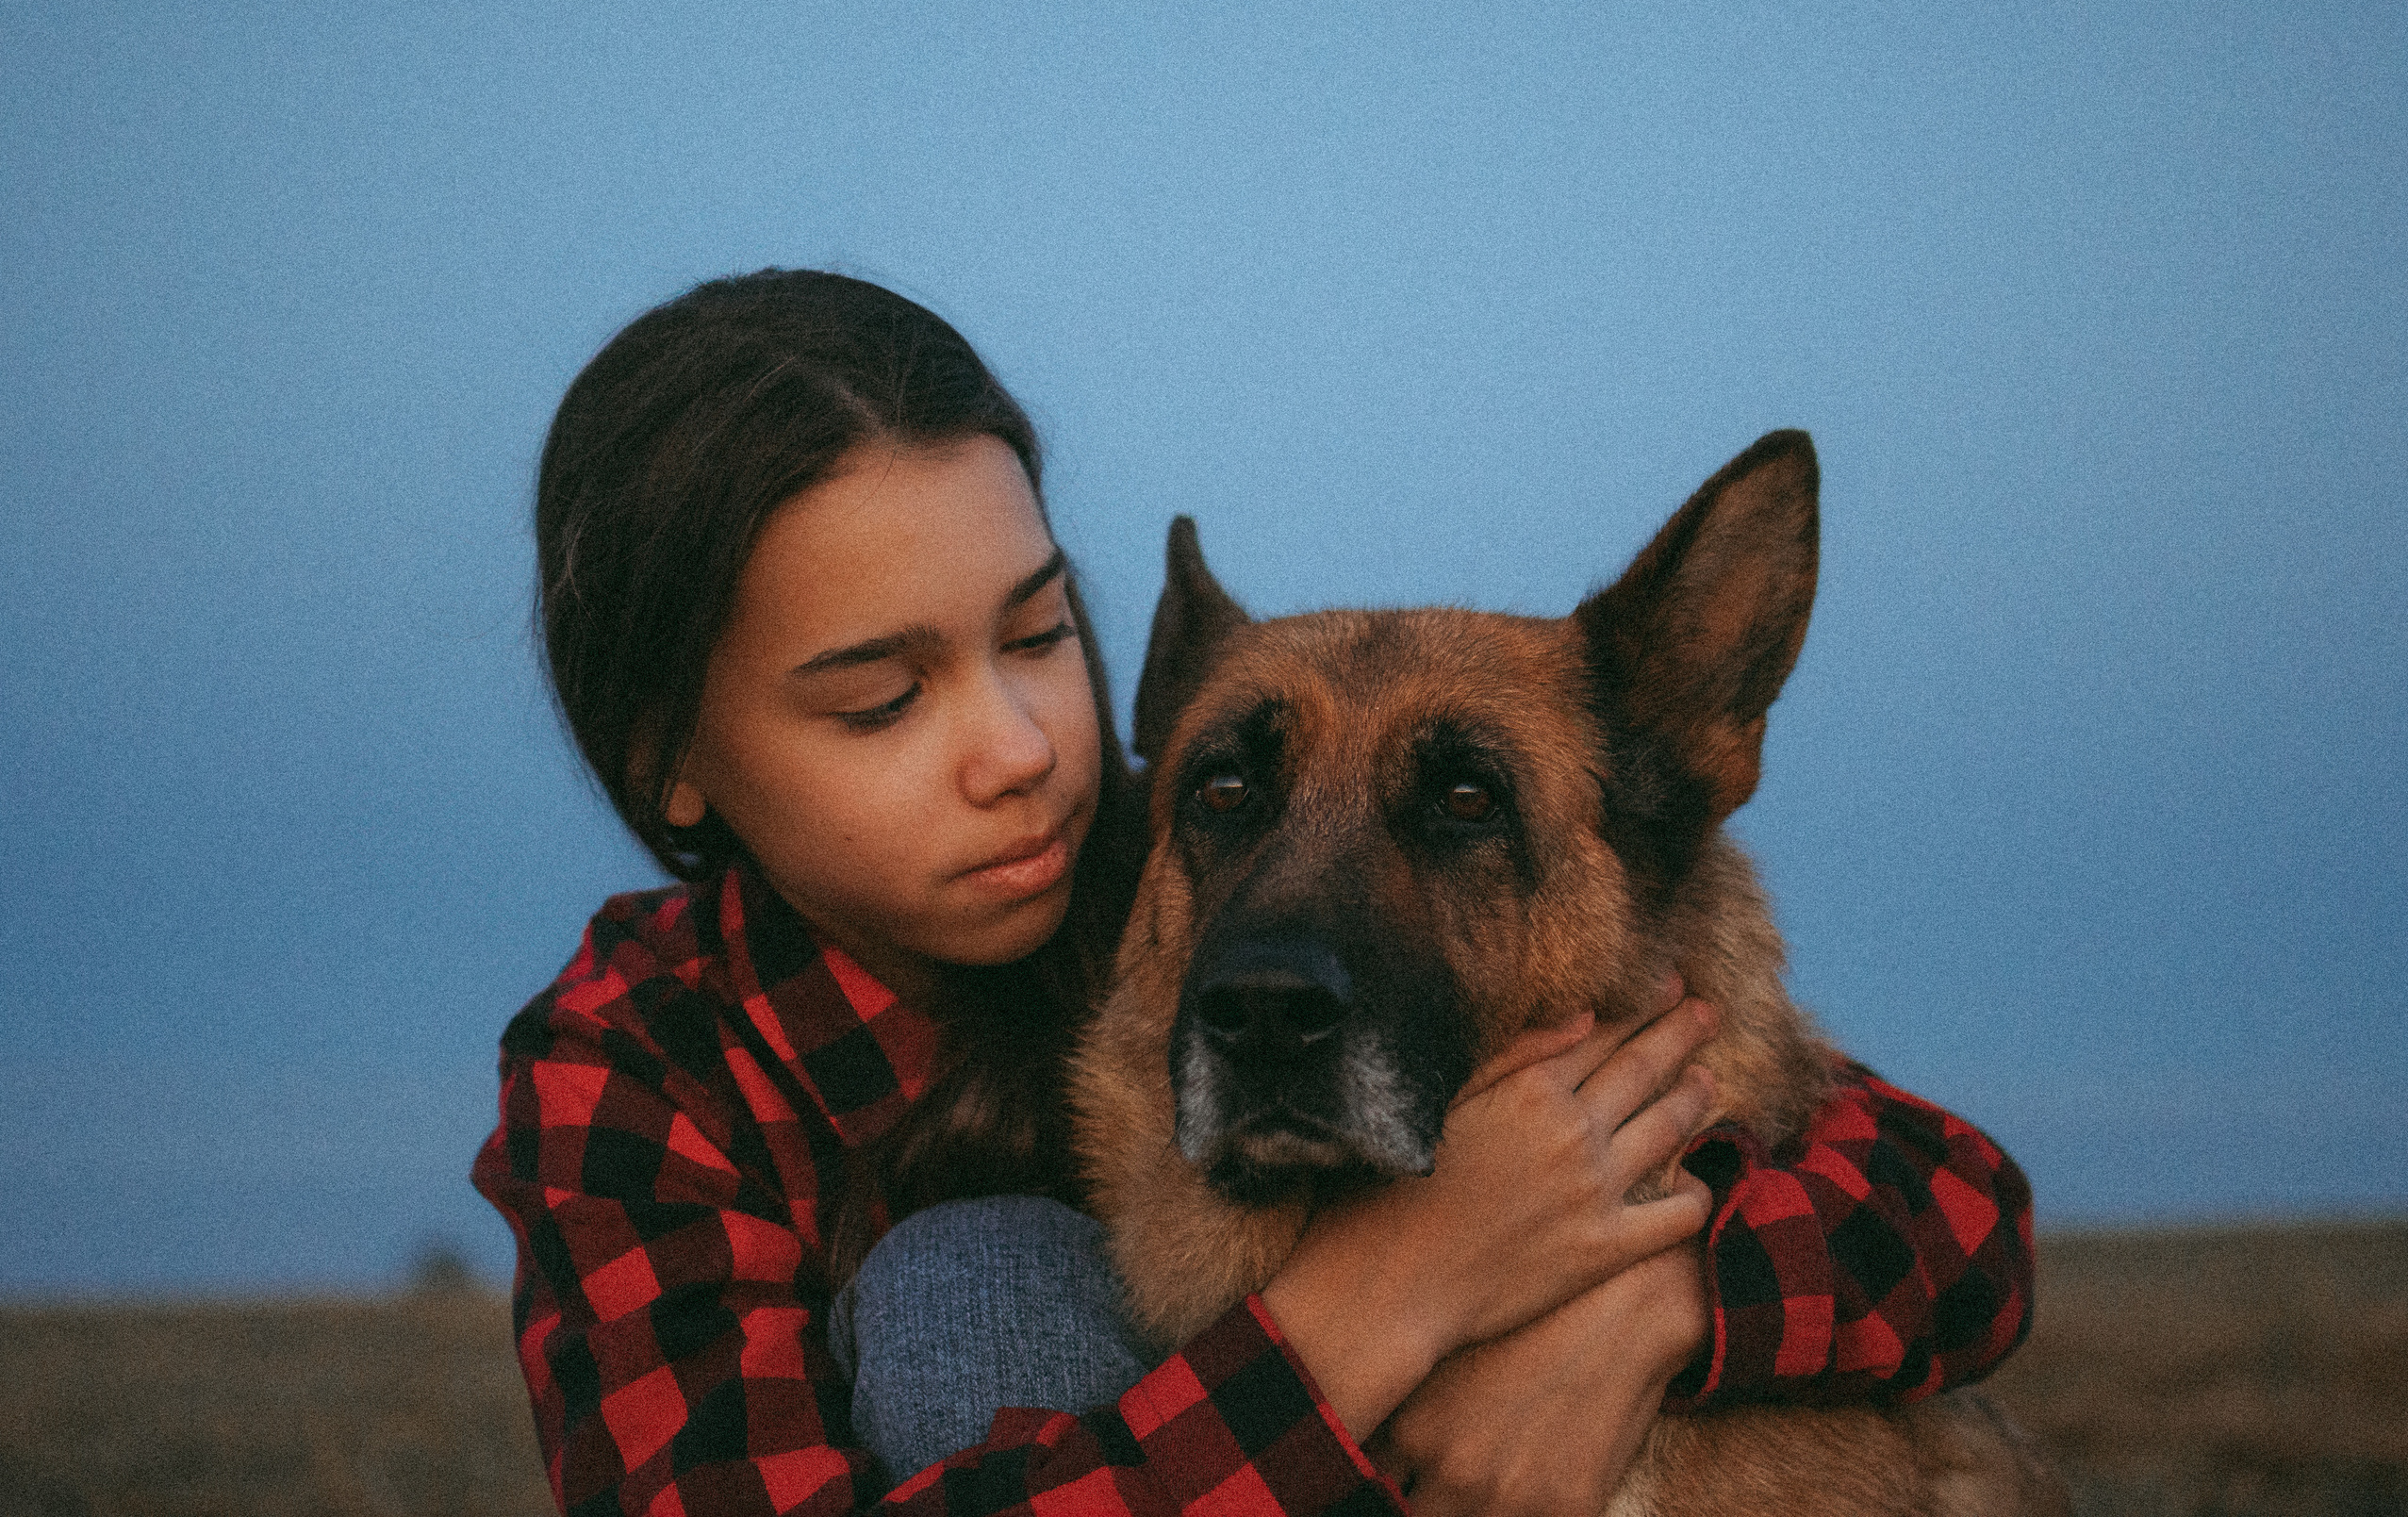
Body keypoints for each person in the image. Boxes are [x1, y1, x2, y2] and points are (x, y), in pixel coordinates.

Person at [472, 269, 2035, 1517]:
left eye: (1036, 639)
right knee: (977, 1292)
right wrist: (1383, 1305)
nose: (1015, 753)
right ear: (670, 757)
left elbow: (1959, 1206)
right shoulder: (634, 1066)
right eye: (884, 699)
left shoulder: (1162, 853)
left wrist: (1665, 1299)